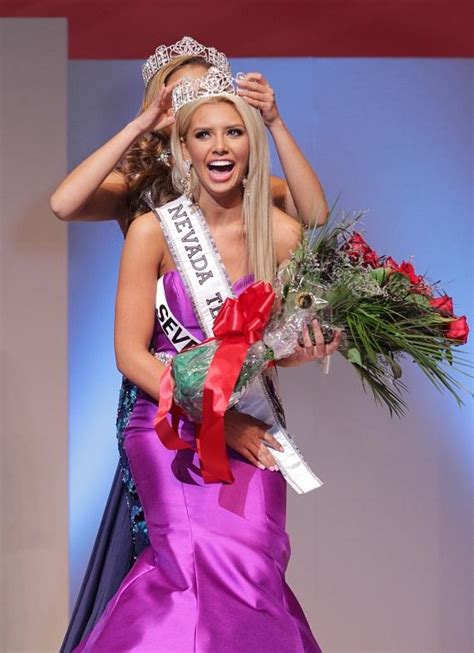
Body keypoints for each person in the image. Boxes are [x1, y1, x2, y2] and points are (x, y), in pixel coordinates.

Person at [55, 36, 329, 650]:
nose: (218, 145)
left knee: (255, 567)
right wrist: (218, 424)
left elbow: (279, 337)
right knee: (190, 565)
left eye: (233, 132)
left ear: (249, 142)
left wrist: (307, 347)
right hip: (166, 420)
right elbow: (131, 352)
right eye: (202, 133)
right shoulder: (153, 222)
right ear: (182, 142)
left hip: (247, 414)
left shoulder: (278, 232)